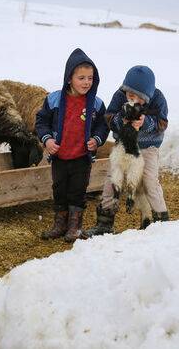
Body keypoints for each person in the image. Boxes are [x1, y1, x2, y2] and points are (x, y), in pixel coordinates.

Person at [36, 48, 109, 242]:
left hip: (81, 158)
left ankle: (75, 226)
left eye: (90, 78)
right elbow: (41, 122)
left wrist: (97, 139)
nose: (86, 82)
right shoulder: (54, 100)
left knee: (77, 191)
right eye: (81, 78)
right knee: (59, 190)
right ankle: (60, 224)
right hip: (60, 156)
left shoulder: (96, 104)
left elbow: (103, 124)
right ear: (69, 78)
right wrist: (48, 140)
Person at [87, 65, 169, 236]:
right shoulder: (119, 96)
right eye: (128, 93)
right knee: (112, 180)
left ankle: (161, 221)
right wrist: (121, 120)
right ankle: (104, 223)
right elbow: (108, 118)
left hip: (148, 147)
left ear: (146, 95)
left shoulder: (158, 98)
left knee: (150, 181)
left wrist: (145, 122)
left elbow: (162, 124)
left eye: (136, 96)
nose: (130, 97)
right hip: (123, 147)